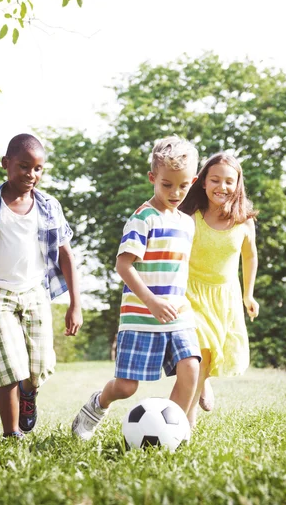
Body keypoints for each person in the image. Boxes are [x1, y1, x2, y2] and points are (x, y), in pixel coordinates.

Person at [72, 135, 201, 441]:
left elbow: (179, 271)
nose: (175, 192)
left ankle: (173, 434)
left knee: (191, 369)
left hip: (177, 314)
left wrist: (180, 303)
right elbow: (123, 265)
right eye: (167, 184)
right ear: (152, 178)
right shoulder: (142, 219)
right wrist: (152, 301)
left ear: (193, 181)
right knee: (127, 387)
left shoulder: (187, 223)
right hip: (141, 315)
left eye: (183, 185)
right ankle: (95, 406)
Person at [0, 133, 82, 439]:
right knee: (9, 365)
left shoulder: (49, 206)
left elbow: (66, 255)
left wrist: (75, 304)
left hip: (35, 292)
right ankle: (11, 433)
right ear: (6, 164)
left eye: (38, 168)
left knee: (39, 367)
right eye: (24, 166)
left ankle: (29, 393)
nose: (31, 174)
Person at [178, 152, 259, 428]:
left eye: (229, 181)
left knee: (211, 353)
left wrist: (248, 294)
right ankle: (186, 422)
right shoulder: (190, 216)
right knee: (199, 350)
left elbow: (250, 256)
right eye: (215, 180)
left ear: (238, 185)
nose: (221, 187)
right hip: (190, 293)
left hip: (224, 296)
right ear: (201, 182)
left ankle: (204, 383)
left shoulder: (244, 221)